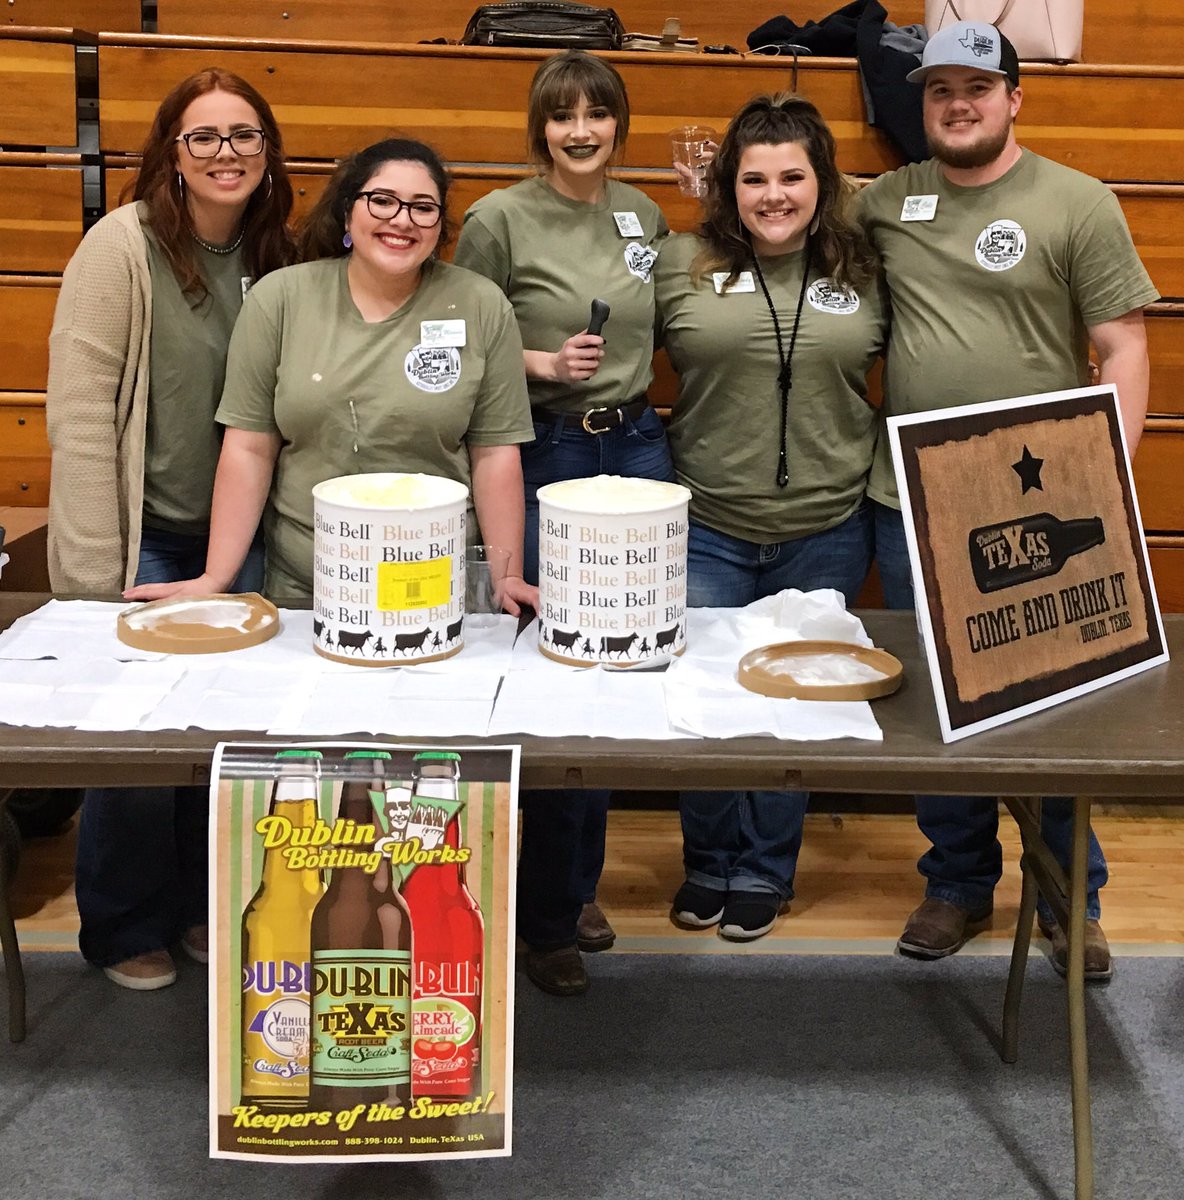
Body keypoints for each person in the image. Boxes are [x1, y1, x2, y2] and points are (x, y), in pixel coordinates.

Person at [859, 22, 1158, 980]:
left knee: (1049, 710)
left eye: (976, 87)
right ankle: (956, 883)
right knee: (938, 712)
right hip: (911, 499)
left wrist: (1102, 482)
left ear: (1013, 97)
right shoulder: (884, 202)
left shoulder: (1078, 200)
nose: (957, 103)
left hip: (1037, 510)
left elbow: (1124, 350)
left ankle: (1075, 898)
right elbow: (775, 225)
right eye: (939, 88)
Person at [45, 67, 295, 988]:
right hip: (145, 533)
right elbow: (77, 409)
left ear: (267, 153)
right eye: (205, 137)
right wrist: (91, 558)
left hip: (247, 536)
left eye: (244, 135)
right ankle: (120, 924)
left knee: (227, 739)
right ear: (172, 153)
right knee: (139, 745)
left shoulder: (281, 253)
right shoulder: (122, 247)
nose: (226, 153)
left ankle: (199, 906)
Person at [454, 51, 674, 995]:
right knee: (549, 668)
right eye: (561, 116)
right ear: (538, 128)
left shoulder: (645, 215)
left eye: (597, 114)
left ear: (621, 123)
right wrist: (541, 363)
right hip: (541, 450)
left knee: (619, 669)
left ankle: (576, 887)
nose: (580, 130)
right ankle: (539, 913)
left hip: (634, 449)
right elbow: (460, 324)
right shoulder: (497, 218)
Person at [126, 137, 537, 612]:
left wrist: (505, 578)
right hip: (307, 588)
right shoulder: (280, 299)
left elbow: (496, 454)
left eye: (423, 208)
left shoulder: (482, 305)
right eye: (381, 201)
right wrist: (216, 576)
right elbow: (249, 448)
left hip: (439, 583)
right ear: (347, 213)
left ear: (438, 226)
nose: (402, 220)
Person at [655, 93, 885, 941]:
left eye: (794, 175)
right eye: (754, 178)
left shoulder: (863, 267)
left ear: (824, 182)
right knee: (709, 697)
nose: (775, 195)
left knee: (797, 704)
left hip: (826, 525)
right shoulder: (680, 260)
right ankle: (708, 863)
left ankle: (764, 869)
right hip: (708, 523)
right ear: (728, 186)